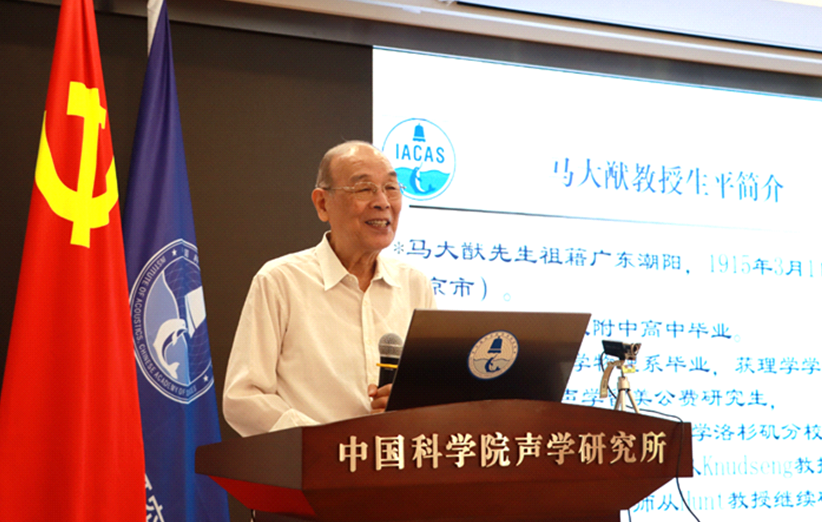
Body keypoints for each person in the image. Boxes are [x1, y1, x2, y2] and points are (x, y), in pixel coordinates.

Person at [223, 141, 436, 436]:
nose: (383, 202)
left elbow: (433, 394)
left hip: (394, 458)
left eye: (391, 188)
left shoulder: (415, 284)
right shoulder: (281, 281)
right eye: (364, 189)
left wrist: (412, 403)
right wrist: (323, 442)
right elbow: (243, 398)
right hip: (312, 462)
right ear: (323, 204)